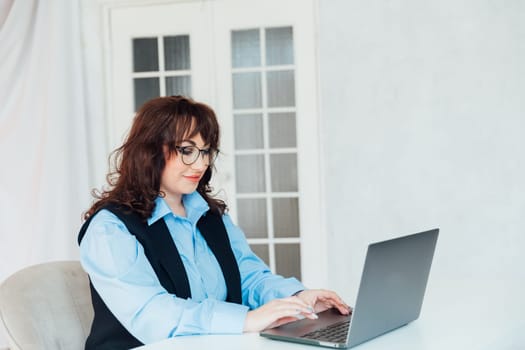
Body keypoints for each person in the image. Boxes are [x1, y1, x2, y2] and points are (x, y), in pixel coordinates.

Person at [78, 95, 350, 349]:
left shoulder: (209, 216)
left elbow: (249, 276)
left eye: (206, 151)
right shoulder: (109, 229)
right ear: (149, 151)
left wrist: (298, 299)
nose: (200, 164)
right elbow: (152, 314)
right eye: (187, 150)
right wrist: (245, 320)